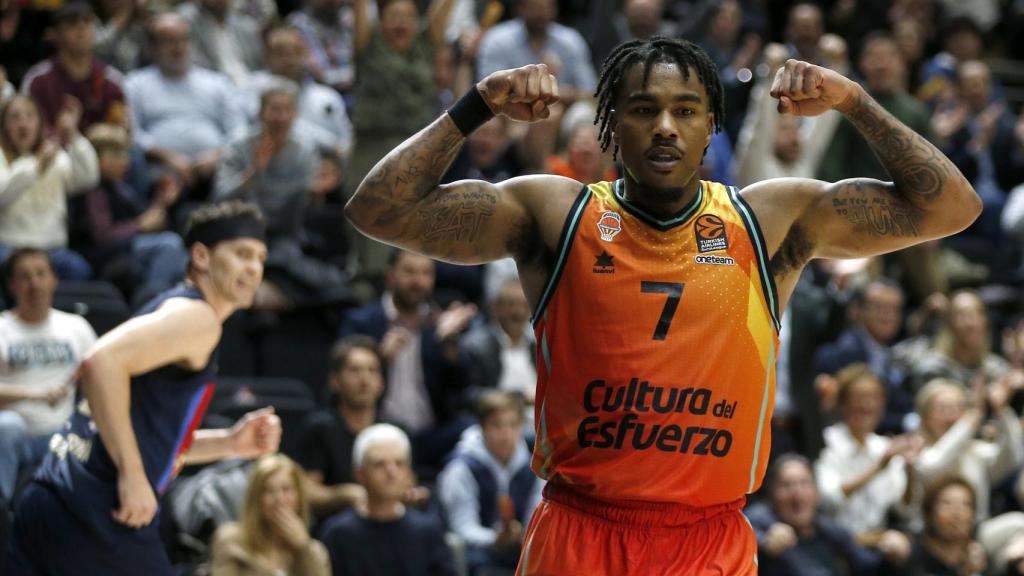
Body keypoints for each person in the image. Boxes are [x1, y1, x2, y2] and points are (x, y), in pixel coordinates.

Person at [344, 35, 981, 574]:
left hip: (708, 541)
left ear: (711, 126)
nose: (665, 126)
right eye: (644, 109)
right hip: (581, 531)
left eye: (686, 109)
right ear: (611, 123)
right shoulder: (557, 213)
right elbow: (378, 211)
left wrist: (853, 101)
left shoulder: (767, 221)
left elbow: (952, 207)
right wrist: (477, 105)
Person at [7, 201, 283, 575]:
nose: (254, 268)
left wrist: (230, 443)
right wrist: (133, 474)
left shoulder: (171, 311)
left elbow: (143, 433)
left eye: (260, 258)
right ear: (201, 256)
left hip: (49, 498)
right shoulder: (198, 318)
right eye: (242, 254)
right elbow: (100, 361)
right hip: (95, 512)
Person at [0, 249, 97, 505]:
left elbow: (101, 382)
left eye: (40, 274)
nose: (34, 284)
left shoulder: (76, 327)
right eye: (24, 277)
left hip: (65, 435)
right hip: (17, 435)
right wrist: (35, 395)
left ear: (54, 279)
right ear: (11, 285)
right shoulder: (2, 328)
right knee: (6, 426)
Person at [318, 423, 456, 576]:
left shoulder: (427, 531)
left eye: (399, 464)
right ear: (359, 473)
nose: (391, 472)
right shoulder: (338, 534)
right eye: (379, 464)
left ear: (409, 473)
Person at [439, 391, 542, 575]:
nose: (506, 434)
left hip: (521, 549)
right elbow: (462, 528)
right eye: (497, 425)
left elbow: (535, 523)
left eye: (513, 425)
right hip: (477, 556)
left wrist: (521, 535)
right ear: (482, 427)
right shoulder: (461, 468)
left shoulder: (534, 468)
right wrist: (495, 539)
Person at [210, 454, 330, 576]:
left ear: (299, 497)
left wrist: (304, 548)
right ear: (255, 498)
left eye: (286, 489)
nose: (279, 499)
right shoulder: (231, 540)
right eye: (268, 490)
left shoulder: (315, 552)